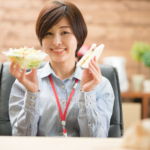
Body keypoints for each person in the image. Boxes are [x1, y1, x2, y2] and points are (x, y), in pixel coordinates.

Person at [9, 1, 114, 137]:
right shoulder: (22, 84)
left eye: (64, 32)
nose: (56, 42)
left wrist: (87, 93)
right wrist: (31, 93)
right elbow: (20, 141)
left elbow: (97, 141)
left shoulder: (101, 85)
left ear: (79, 37)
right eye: (48, 33)